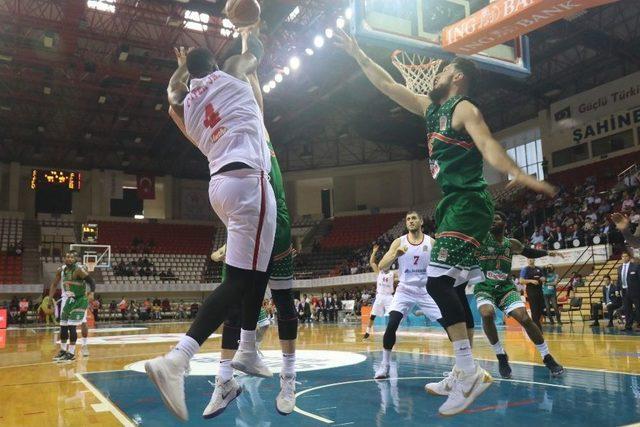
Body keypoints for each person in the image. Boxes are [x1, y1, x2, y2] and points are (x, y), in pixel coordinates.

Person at [336, 28, 556, 416]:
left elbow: (487, 144)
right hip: (454, 204)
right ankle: (461, 368)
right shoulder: (430, 107)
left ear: (457, 77)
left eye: (440, 71)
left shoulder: (464, 108)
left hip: (470, 205)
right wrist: (357, 55)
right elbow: (388, 86)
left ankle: (469, 371)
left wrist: (517, 173)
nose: (431, 75)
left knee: (437, 281)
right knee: (451, 287)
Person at [145, 28, 278, 422]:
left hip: (219, 185)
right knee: (241, 280)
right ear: (216, 66)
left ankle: (247, 351)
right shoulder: (234, 72)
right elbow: (255, 52)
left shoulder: (184, 102)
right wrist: (252, 30)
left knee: (255, 270)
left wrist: (179, 70)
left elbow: (171, 94)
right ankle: (177, 359)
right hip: (249, 179)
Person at [467, 212, 564, 380]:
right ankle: (500, 355)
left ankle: (547, 357)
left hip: (505, 287)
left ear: (505, 223)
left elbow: (529, 252)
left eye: (497, 219)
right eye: (491, 219)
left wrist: (547, 253)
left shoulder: (511, 244)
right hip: (484, 286)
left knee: (525, 319)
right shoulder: (481, 238)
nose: (493, 222)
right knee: (487, 313)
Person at [373, 211, 443, 379]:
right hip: (404, 289)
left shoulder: (431, 242)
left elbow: (441, 262)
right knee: (392, 324)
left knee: (449, 324)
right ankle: (385, 365)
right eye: (408, 219)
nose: (411, 221)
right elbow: (382, 266)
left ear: (421, 221)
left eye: (414, 218)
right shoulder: (399, 242)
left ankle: (461, 366)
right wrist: (395, 254)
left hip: (426, 290)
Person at [49, 250, 96, 362]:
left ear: (76, 259)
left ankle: (74, 351)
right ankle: (63, 351)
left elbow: (91, 281)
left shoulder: (79, 270)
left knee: (74, 325)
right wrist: (50, 298)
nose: (69, 258)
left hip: (79, 299)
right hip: (68, 299)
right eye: (67, 256)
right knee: (63, 326)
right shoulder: (61, 270)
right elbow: (54, 284)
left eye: (71, 257)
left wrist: (92, 293)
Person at [364, 244, 396, 339]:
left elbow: (402, 277)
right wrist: (374, 251)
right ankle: (367, 332)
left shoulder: (392, 274)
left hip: (389, 297)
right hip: (380, 296)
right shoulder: (379, 272)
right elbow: (372, 262)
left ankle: (391, 332)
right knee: (373, 315)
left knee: (393, 315)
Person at [616, 251, 640, 332]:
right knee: (627, 309)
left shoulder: (636, 266)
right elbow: (619, 280)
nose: (624, 258)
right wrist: (617, 289)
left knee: (638, 308)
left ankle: (639, 325)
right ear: (621, 258)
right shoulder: (619, 268)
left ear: (629, 257)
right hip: (624, 291)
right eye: (623, 256)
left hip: (635, 291)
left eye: (626, 256)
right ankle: (628, 326)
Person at [520, 259, 546, 331]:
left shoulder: (539, 268)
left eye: (531, 259)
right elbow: (521, 281)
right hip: (531, 290)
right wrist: (531, 281)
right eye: (528, 259)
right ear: (527, 260)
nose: (530, 260)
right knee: (534, 309)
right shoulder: (525, 269)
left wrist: (543, 279)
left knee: (541, 309)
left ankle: (534, 325)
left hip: (540, 290)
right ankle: (537, 329)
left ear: (534, 259)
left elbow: (544, 278)